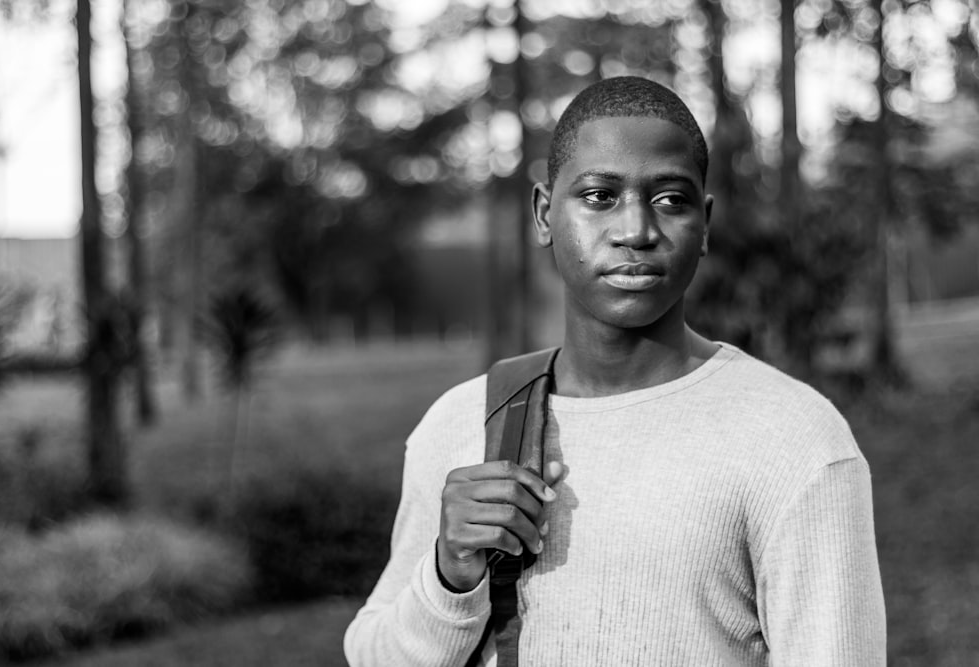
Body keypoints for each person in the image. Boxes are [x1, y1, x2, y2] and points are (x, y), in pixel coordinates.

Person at [344, 76, 886, 666]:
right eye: (600, 196)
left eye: (670, 200)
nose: (636, 232)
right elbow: (373, 654)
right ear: (545, 214)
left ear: (703, 225)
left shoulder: (794, 439)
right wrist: (449, 575)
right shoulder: (465, 423)